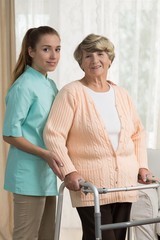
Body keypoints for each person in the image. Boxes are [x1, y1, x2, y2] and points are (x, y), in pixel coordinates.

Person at [43, 33, 151, 240]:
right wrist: (69, 171)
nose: (95, 60)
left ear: (110, 59)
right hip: (90, 184)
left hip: (125, 181)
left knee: (118, 236)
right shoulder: (71, 93)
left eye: (100, 54)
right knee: (100, 236)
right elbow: (53, 134)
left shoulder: (122, 94)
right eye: (88, 56)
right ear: (81, 63)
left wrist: (142, 166)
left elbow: (137, 133)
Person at [3, 26, 63, 240]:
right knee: (26, 236)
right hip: (27, 174)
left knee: (47, 235)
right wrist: (45, 154)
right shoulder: (24, 86)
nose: (53, 55)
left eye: (57, 49)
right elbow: (9, 134)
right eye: (46, 49)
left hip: (47, 174)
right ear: (31, 52)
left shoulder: (50, 85)